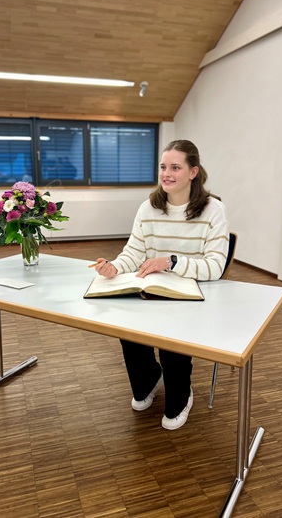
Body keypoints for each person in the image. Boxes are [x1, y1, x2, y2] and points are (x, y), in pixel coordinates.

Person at [94, 139, 229, 430]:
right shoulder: (148, 208)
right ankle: (149, 379)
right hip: (152, 290)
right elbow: (134, 252)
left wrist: (171, 262)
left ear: (193, 172)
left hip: (192, 294)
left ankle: (181, 396)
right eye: (163, 166)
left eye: (175, 168)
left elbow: (215, 267)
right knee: (128, 330)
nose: (166, 174)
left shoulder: (213, 210)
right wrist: (114, 266)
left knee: (172, 340)